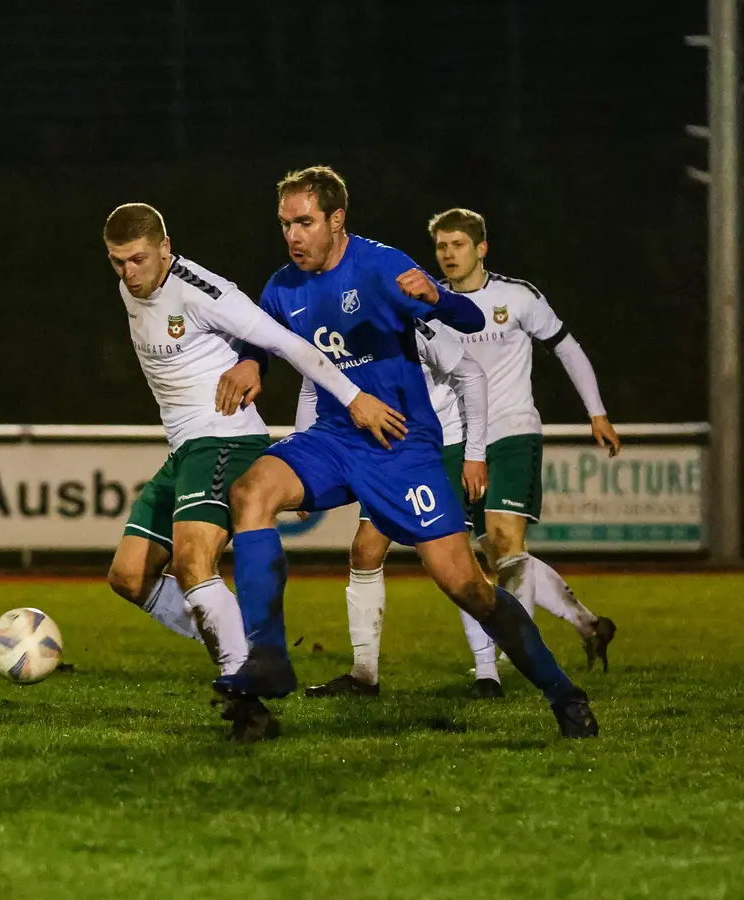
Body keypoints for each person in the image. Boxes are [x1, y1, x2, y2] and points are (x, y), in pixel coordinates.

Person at [220, 166, 598, 738]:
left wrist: (439, 297)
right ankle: (269, 657)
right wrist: (252, 361)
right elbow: (264, 340)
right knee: (250, 492)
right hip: (334, 437)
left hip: (402, 447)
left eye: (304, 222)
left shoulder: (381, 264)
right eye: (284, 224)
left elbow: (468, 318)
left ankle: (563, 693)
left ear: (336, 219)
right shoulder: (282, 286)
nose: (293, 235)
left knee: (467, 586)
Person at [99, 203, 403, 741]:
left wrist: (353, 398)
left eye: (138, 260)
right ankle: (244, 647)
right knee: (128, 576)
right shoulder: (132, 286)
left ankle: (248, 697)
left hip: (225, 438)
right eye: (117, 262)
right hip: (184, 449)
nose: (128, 273)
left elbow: (288, 342)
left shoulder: (204, 291)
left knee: (194, 560)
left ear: (166, 248)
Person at [430, 208, 619, 671]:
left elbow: (566, 346)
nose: (448, 254)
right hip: (460, 438)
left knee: (503, 539)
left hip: (513, 429)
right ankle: (589, 625)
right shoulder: (431, 304)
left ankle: (516, 653)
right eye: (441, 246)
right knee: (489, 556)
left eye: (457, 245)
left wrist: (597, 412)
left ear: (481, 248)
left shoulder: (516, 297)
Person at [300, 319, 498, 698]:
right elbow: (312, 389)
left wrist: (474, 455)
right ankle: (364, 675)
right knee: (365, 550)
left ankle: (489, 672)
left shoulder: (409, 320)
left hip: (437, 447)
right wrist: (305, 459)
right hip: (388, 451)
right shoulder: (331, 321)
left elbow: (471, 374)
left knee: (453, 566)